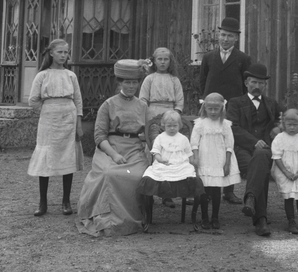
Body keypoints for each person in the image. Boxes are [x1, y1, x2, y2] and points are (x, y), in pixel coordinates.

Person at [76, 60, 149, 238]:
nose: (131, 86)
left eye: (134, 82)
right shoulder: (108, 104)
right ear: (120, 83)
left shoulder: (143, 106)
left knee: (137, 175)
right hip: (110, 148)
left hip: (134, 149)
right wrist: (114, 155)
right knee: (109, 173)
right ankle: (107, 219)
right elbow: (99, 136)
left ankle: (133, 219)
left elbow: (149, 133)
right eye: (127, 82)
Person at [26, 39, 84, 217]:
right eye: (60, 52)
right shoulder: (42, 75)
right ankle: (43, 202)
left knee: (68, 156)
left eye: (66, 52)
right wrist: (48, 108)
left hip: (69, 118)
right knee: (46, 158)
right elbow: (33, 100)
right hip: (49, 120)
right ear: (51, 53)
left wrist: (78, 123)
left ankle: (66, 201)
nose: (63, 55)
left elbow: (78, 100)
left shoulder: (70, 75)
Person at [225, 62, 283, 237]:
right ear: (246, 83)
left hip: (265, 150)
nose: (257, 86)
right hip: (241, 150)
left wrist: (279, 127)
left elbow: (289, 118)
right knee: (260, 166)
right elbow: (233, 128)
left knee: (261, 157)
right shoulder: (235, 103)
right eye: (254, 82)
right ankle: (260, 219)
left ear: (265, 85)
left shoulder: (271, 104)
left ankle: (251, 199)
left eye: (261, 83)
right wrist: (254, 142)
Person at [197, 17, 251, 204]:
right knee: (207, 145)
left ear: (236, 38)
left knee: (229, 145)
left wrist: (237, 105)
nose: (225, 39)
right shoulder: (209, 57)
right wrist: (208, 101)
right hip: (211, 106)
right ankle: (205, 188)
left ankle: (228, 190)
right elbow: (203, 81)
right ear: (218, 36)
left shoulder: (243, 59)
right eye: (222, 35)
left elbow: (245, 85)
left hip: (231, 108)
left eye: (229, 36)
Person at [138, 110, 205, 231]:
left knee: (189, 173)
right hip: (164, 164)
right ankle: (147, 218)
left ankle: (193, 218)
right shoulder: (160, 138)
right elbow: (156, 152)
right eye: (169, 126)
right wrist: (160, 159)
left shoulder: (183, 139)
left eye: (175, 126)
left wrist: (193, 163)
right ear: (163, 126)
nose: (172, 128)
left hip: (180, 164)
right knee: (152, 175)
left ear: (179, 125)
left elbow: (188, 153)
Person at [139, 47, 186, 208]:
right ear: (154, 61)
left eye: (166, 59)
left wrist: (174, 116)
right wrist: (148, 119)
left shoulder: (174, 80)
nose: (163, 62)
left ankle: (167, 194)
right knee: (154, 151)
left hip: (170, 115)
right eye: (159, 59)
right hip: (153, 114)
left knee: (169, 152)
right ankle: (150, 192)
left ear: (170, 62)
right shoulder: (149, 79)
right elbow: (143, 99)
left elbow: (179, 101)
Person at [190, 92, 240, 231]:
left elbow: (229, 144)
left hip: (219, 160)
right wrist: (196, 158)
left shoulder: (225, 124)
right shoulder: (200, 124)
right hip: (204, 159)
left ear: (222, 108)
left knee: (216, 190)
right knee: (205, 190)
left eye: (216, 109)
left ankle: (215, 217)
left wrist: (227, 162)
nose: (213, 112)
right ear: (204, 108)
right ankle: (204, 217)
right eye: (210, 109)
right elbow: (194, 143)